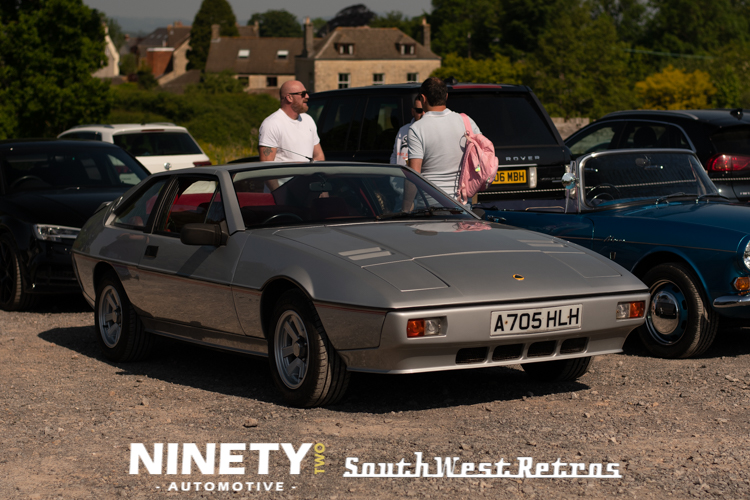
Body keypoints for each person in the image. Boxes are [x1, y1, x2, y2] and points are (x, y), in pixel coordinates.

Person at [405, 77, 480, 207]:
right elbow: (480, 157)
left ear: (423, 98)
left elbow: (414, 175)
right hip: (462, 204)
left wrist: (405, 208)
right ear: (446, 96)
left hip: (430, 206)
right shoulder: (466, 121)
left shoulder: (417, 128)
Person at [258, 80, 325, 163]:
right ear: (289, 97)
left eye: (307, 93)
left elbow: (319, 157)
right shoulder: (272, 124)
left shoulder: (308, 120)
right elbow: (267, 165)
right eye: (303, 94)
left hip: (308, 172)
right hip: (284, 172)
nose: (307, 96)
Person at [390, 96, 424, 166]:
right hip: (400, 172)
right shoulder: (403, 130)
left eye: (426, 111)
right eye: (419, 110)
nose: (423, 114)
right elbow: (395, 155)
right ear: (413, 111)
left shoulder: (431, 131)